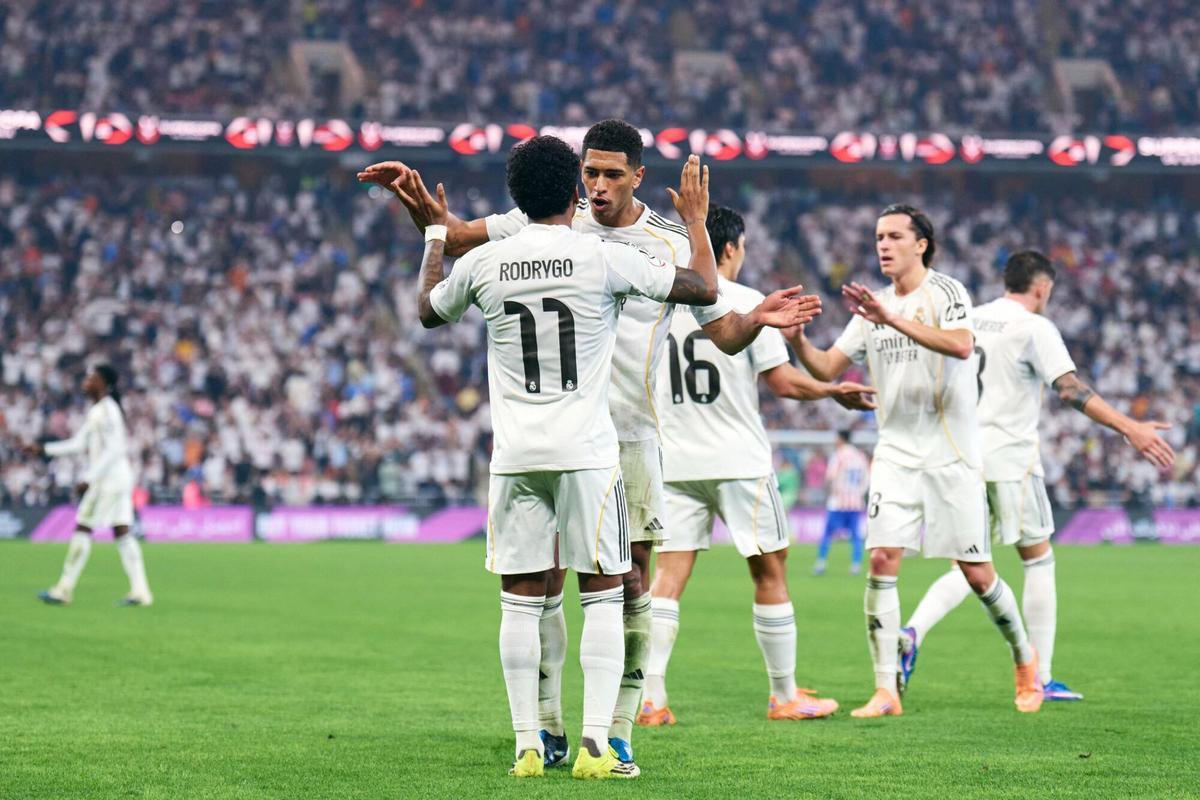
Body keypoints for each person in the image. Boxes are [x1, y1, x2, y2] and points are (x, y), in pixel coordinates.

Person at [360, 119, 818, 773]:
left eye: (610, 174)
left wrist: (756, 320)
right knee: (546, 584)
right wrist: (428, 215)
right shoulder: (545, 225)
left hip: (628, 435)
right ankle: (550, 729)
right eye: (589, 174)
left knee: (630, 584)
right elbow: (460, 237)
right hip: (579, 435)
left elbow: (721, 332)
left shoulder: (658, 236)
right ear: (575, 181)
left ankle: (619, 727)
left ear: (637, 177)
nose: (598, 187)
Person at [788, 204, 1043, 717]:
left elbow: (962, 345)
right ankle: (886, 689)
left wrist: (892, 320)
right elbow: (827, 365)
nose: (883, 245)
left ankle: (1025, 659)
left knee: (976, 572)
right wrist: (796, 339)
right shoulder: (872, 307)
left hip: (951, 455)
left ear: (921, 243)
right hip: (896, 453)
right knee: (881, 562)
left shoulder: (946, 293)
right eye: (879, 236)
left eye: (895, 236)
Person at [899, 250, 1175, 701]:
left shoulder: (971, 318)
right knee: (1037, 558)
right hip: (1010, 458)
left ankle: (911, 633)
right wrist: (1131, 429)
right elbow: (1068, 388)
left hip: (962, 456)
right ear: (1042, 288)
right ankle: (1041, 677)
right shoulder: (1034, 327)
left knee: (969, 564)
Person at [642, 205, 875, 725]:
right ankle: (784, 694)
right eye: (743, 246)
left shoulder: (662, 301)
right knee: (769, 570)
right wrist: (833, 390)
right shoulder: (747, 301)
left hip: (675, 460)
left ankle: (652, 699)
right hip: (737, 461)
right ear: (730, 248)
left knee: (669, 578)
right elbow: (785, 383)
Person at [25, 364, 152, 607]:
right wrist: (44, 449)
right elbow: (78, 443)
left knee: (83, 527)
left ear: (104, 384)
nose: (86, 382)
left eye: (92, 378)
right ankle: (140, 592)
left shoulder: (108, 411)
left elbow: (115, 449)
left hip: (109, 480)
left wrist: (89, 477)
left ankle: (63, 589)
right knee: (122, 532)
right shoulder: (99, 411)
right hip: (116, 478)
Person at [814, 431, 870, 576]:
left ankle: (821, 563)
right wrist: (858, 493)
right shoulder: (860, 456)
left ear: (841, 439)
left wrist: (832, 491)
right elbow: (867, 479)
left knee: (827, 534)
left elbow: (830, 477)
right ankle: (856, 565)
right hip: (856, 502)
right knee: (856, 536)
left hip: (838, 502)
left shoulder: (838, 456)